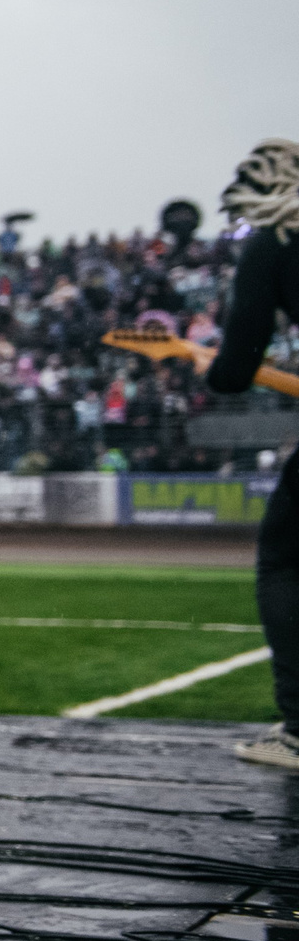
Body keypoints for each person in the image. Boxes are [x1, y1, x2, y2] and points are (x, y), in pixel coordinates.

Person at [200, 140, 299, 770]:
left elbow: (234, 371)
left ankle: (298, 728)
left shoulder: (274, 244)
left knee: (284, 561)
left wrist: (213, 367)